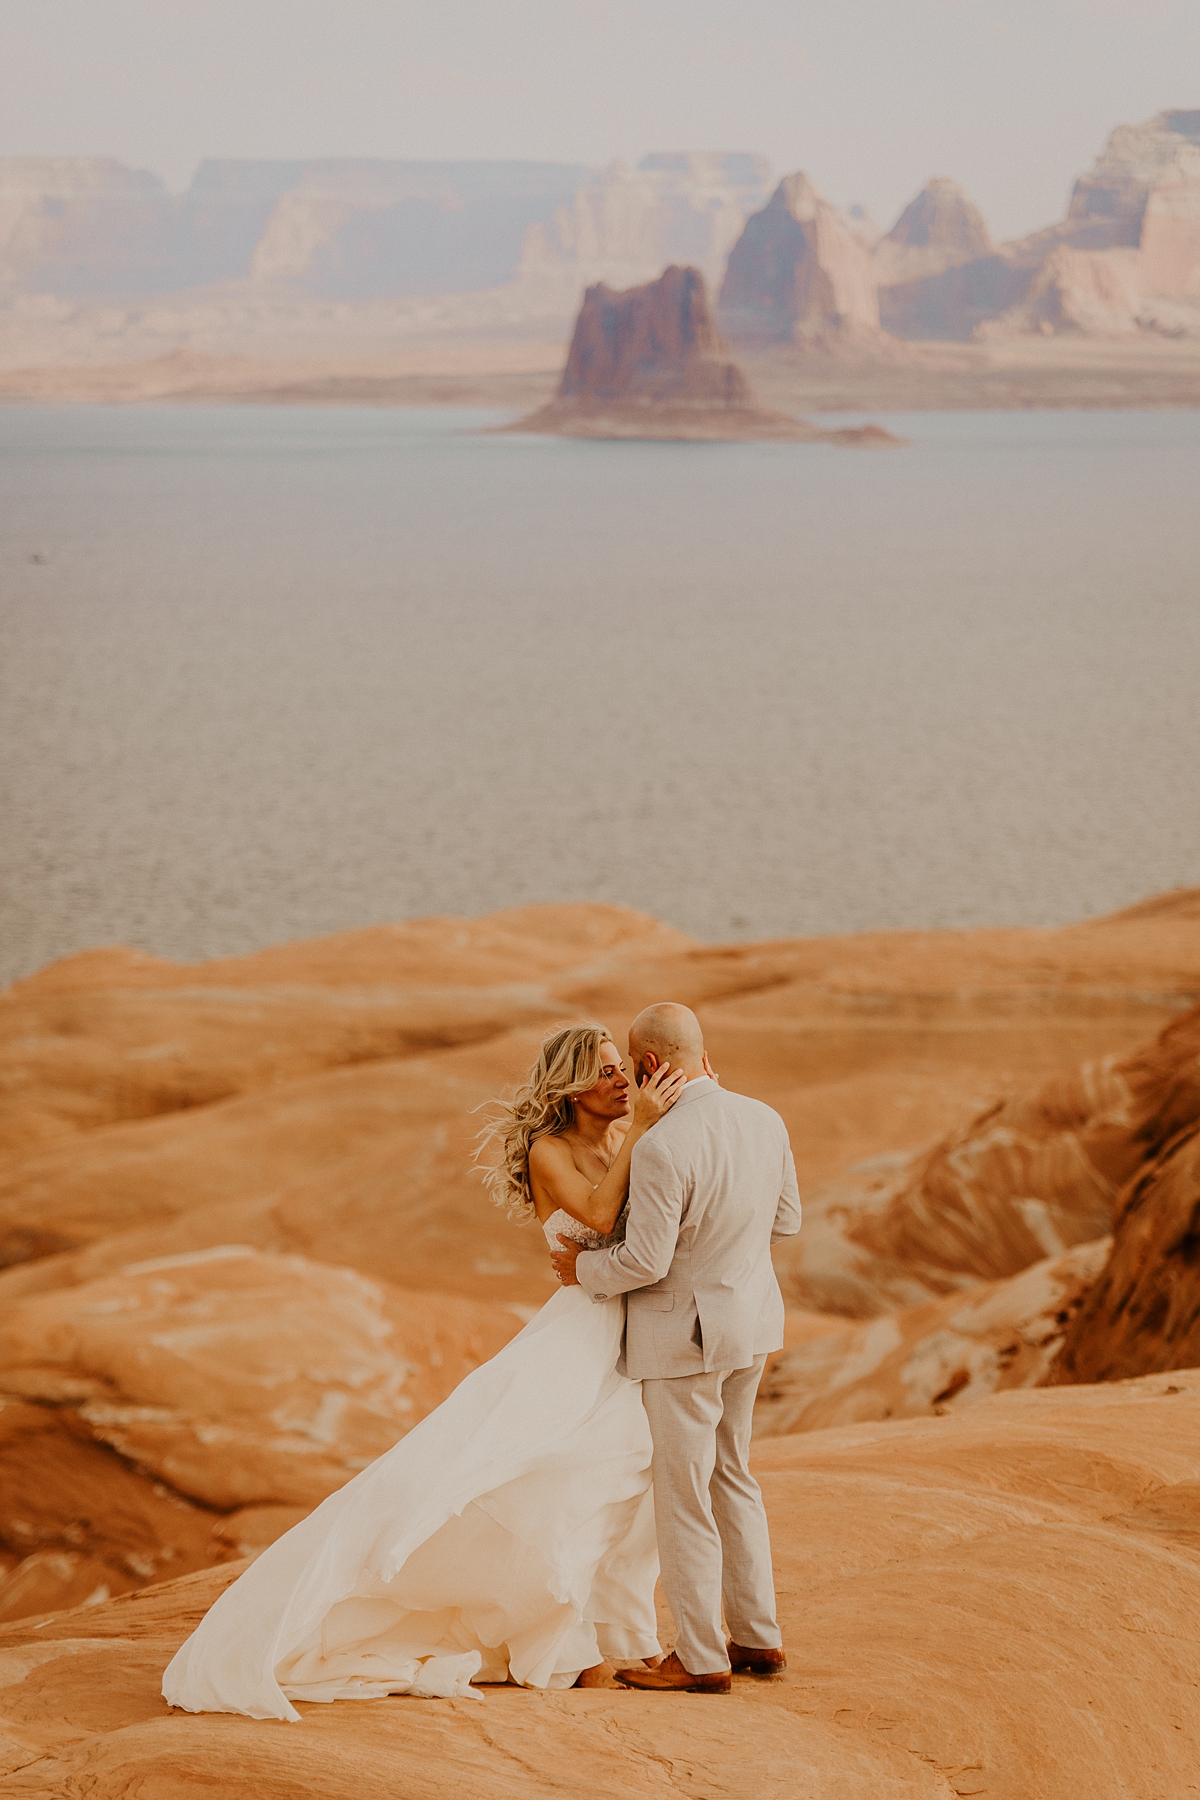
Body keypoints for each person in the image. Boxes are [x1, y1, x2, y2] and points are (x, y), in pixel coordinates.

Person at [162, 1022, 683, 1718]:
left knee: (615, 1481)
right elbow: (596, 1211)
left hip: (631, 1331)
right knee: (548, 1475)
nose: (623, 1081)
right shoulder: (548, 1150)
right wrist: (646, 1131)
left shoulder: (622, 1139)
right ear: (570, 1086)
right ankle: (570, 1648)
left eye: (625, 1069)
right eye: (607, 1072)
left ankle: (592, 1638)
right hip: (579, 1336)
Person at [551, 1002, 802, 1694]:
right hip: (752, 1326)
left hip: (683, 1340)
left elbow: (644, 1265)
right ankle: (759, 1638)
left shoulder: (662, 1146)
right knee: (734, 1477)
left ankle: (699, 1658)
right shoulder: (765, 1118)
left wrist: (582, 1271)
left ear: (650, 1064)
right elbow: (787, 1219)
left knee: (684, 1494)